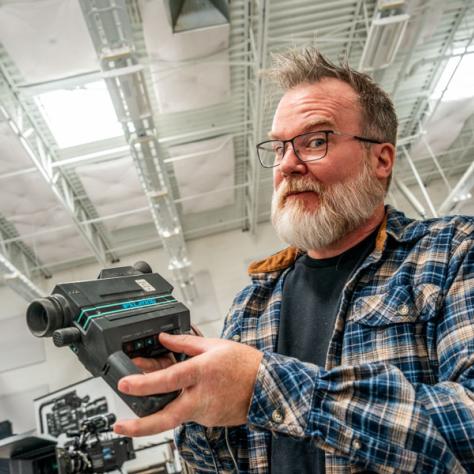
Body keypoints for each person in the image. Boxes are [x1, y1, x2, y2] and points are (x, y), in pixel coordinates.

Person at [113, 48, 474, 473]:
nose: (287, 164)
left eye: (315, 141)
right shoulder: (253, 304)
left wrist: (266, 385)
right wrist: (190, 391)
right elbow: (228, 464)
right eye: (280, 147)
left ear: (381, 159)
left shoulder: (451, 254)